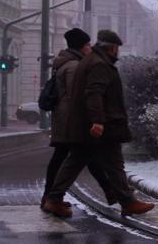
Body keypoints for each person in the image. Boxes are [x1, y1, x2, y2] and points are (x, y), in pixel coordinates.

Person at [43, 30, 154, 218]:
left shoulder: (91, 61)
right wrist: (98, 121)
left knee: (76, 161)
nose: (117, 52)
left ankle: (53, 198)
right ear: (112, 48)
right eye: (117, 48)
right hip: (102, 125)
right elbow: (94, 93)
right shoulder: (99, 64)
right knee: (114, 163)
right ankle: (127, 202)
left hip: (87, 125)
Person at [41, 28, 117, 210]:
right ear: (82, 47)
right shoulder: (75, 67)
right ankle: (53, 197)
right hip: (72, 121)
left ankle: (50, 197)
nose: (90, 48)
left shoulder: (64, 63)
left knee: (76, 157)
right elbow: (81, 95)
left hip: (64, 119)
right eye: (88, 45)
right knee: (82, 156)